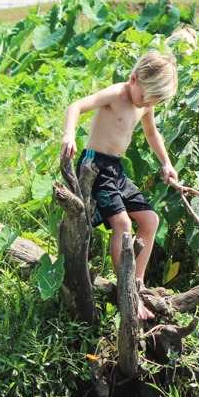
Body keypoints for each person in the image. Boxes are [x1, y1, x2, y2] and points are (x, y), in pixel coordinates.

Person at [60, 50, 180, 320]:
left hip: (115, 168)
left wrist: (166, 163)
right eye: (144, 98)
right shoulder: (116, 94)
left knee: (150, 220)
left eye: (151, 102)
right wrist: (69, 134)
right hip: (94, 165)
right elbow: (75, 106)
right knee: (123, 225)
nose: (144, 105)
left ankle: (137, 282)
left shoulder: (145, 103)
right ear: (133, 79)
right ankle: (126, 290)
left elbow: (151, 132)